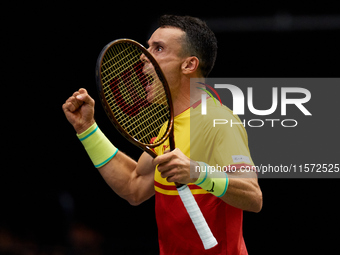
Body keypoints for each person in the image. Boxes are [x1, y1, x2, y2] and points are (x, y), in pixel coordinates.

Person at [62, 15, 262, 255]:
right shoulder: (168, 126)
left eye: (158, 49)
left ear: (189, 65)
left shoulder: (219, 122)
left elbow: (253, 197)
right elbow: (133, 186)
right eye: (148, 46)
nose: (143, 57)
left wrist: (198, 173)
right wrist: (88, 129)